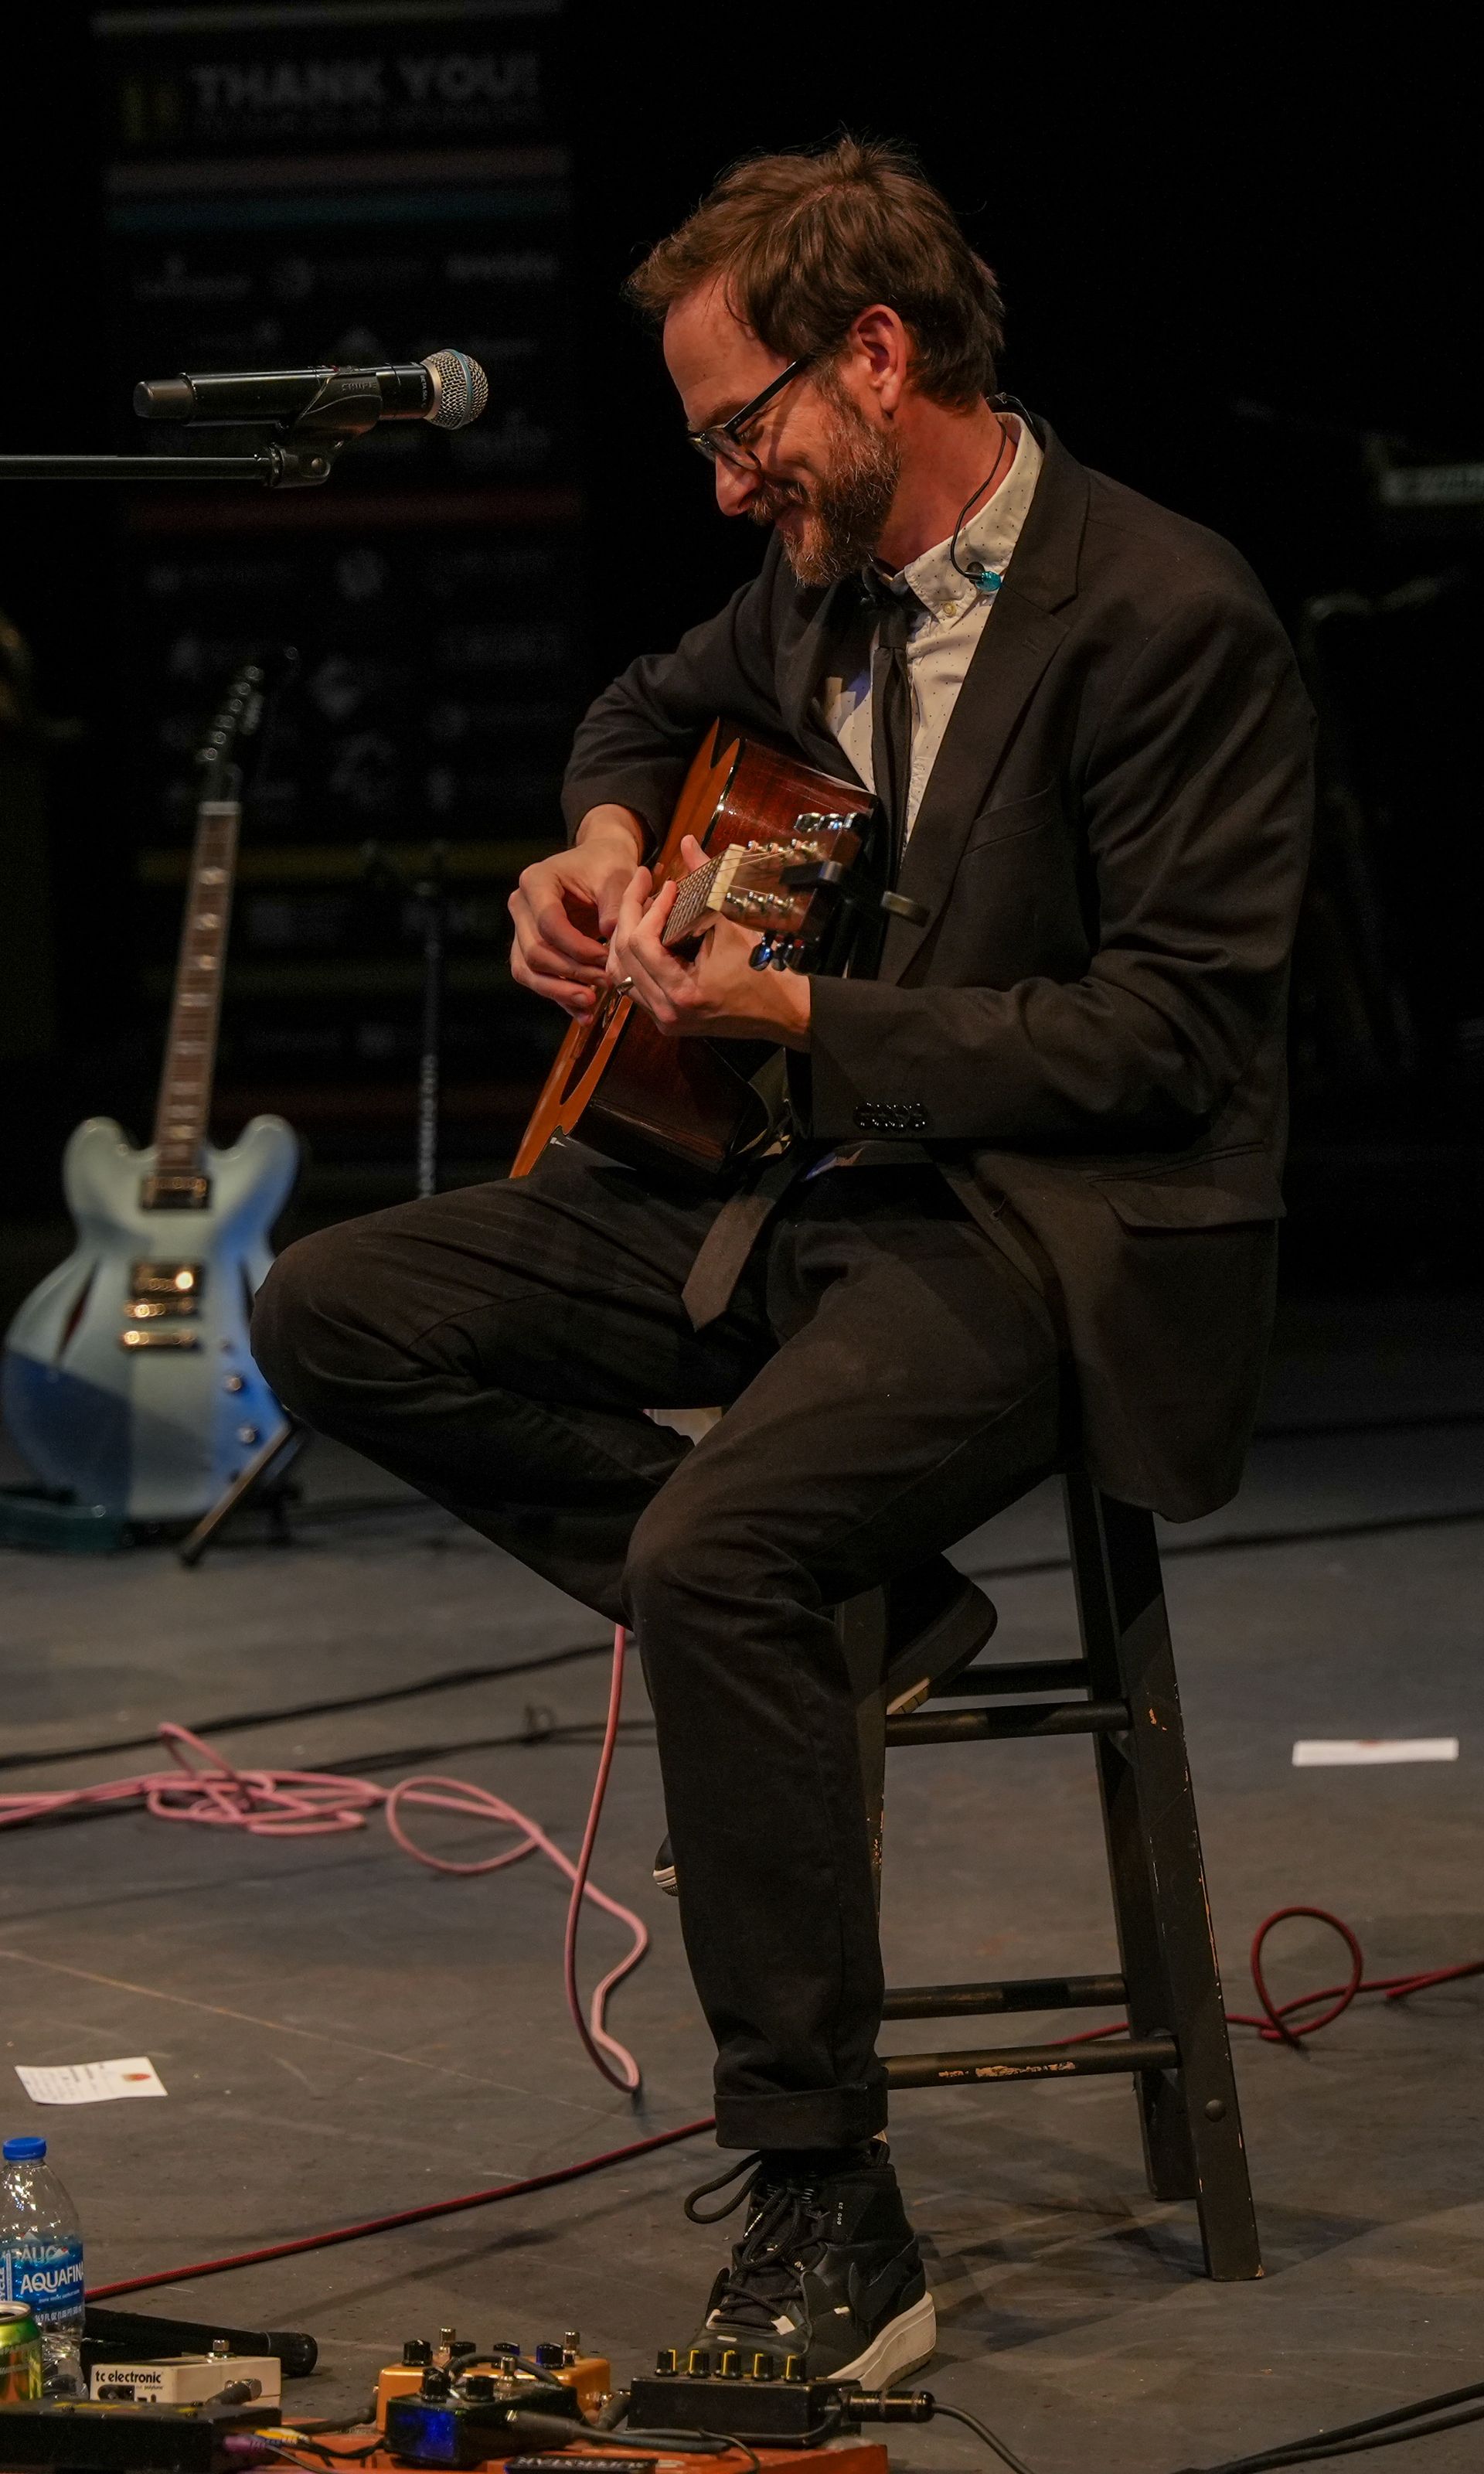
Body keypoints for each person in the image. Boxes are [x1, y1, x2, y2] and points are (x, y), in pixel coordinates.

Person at [252, 136, 1312, 2388]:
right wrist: (603, 840)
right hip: (796, 1192)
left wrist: (807, 1018)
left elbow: (1171, 1037)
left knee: (729, 1556)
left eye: (747, 429)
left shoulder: (1166, 613)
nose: (733, 486)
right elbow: (648, 704)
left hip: (1048, 1230)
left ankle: (834, 2206)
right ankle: (876, 1612)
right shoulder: (820, 591)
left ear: (876, 355)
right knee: (331, 1310)